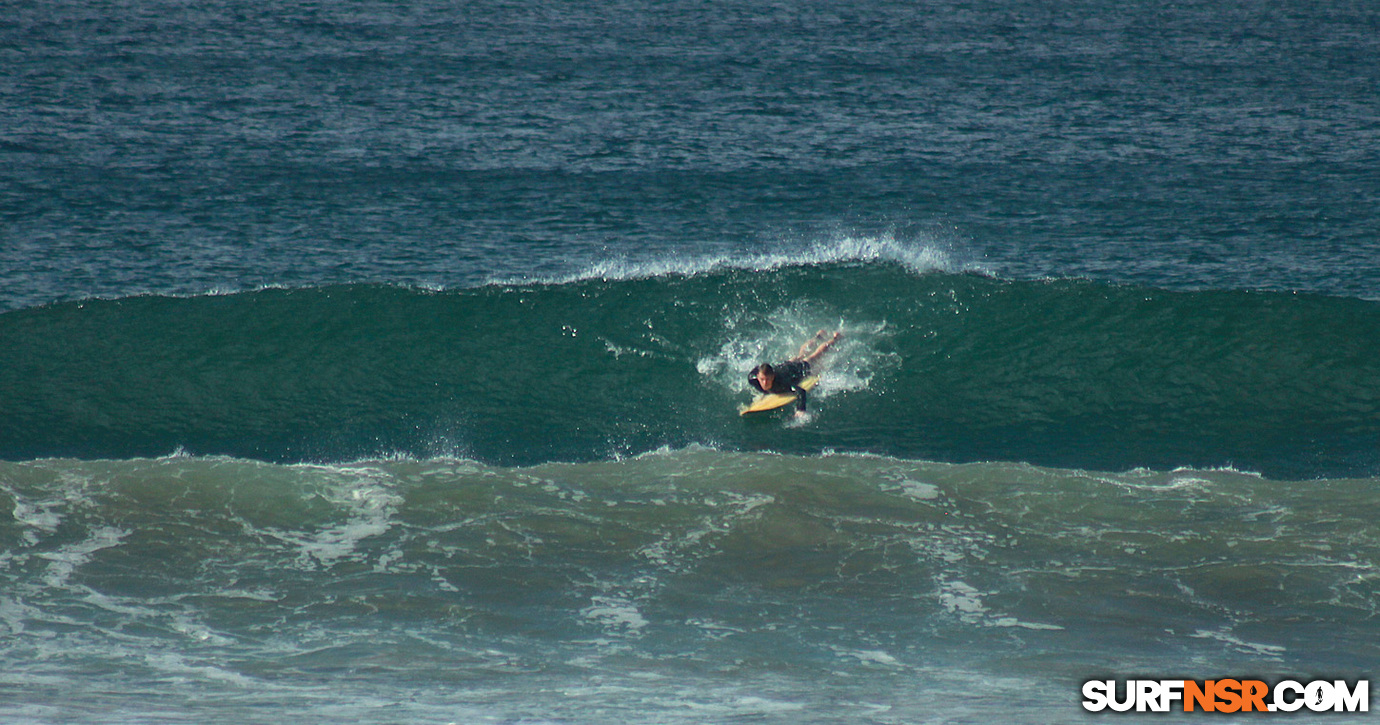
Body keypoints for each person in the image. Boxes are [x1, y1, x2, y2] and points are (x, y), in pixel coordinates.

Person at [748, 330, 842, 415]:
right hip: (784, 367)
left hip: (795, 370)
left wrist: (800, 410)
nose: (764, 383)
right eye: (762, 379)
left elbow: (801, 392)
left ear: (772, 377)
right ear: (758, 376)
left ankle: (835, 338)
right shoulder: (753, 379)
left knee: (813, 357)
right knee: (800, 356)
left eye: (768, 379)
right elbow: (756, 369)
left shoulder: (782, 384)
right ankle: (818, 337)